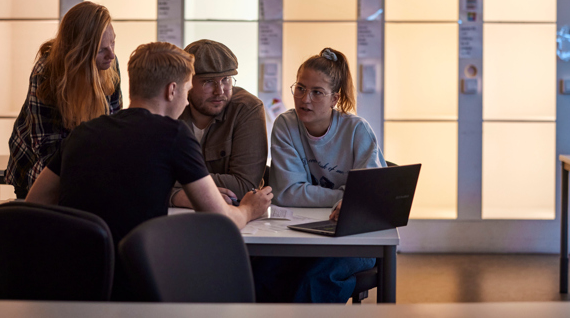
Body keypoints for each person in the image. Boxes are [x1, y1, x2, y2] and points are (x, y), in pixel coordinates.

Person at [26, 41, 273, 300]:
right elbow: (221, 220)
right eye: (189, 88)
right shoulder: (173, 135)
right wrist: (248, 209)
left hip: (68, 282)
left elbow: (35, 203)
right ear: (172, 90)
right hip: (134, 284)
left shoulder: (82, 134)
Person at [255, 47, 386, 303]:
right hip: (301, 230)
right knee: (262, 272)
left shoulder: (357, 130)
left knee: (318, 279)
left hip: (354, 235)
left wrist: (350, 201)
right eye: (300, 88)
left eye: (317, 92)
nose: (305, 99)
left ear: (335, 98)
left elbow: (370, 198)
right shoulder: (286, 125)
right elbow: (286, 193)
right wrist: (343, 197)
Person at [6, 1, 122, 199]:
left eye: (113, 43)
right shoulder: (47, 71)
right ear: (80, 51)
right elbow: (47, 149)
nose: (111, 54)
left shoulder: (109, 65)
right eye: (102, 49)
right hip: (37, 168)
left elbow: (115, 127)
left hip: (84, 164)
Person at [170, 39, 268, 208]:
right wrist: (178, 197)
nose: (219, 91)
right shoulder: (171, 107)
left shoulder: (247, 109)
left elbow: (245, 186)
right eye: (208, 82)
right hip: (176, 214)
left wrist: (173, 183)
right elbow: (145, 178)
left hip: (236, 216)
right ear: (187, 81)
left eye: (225, 80)